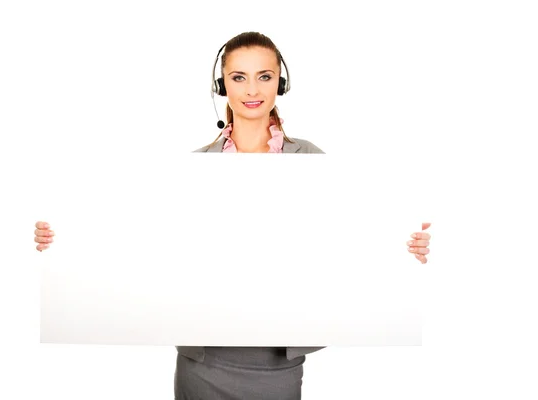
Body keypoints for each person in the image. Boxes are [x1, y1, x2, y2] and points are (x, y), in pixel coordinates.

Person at [33, 32, 432, 400]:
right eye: (239, 78)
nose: (253, 90)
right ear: (222, 85)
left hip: (278, 361)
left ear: (281, 83)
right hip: (204, 361)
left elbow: (350, 240)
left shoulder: (311, 161)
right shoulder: (193, 168)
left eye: (264, 76)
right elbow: (142, 242)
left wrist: (402, 248)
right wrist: (64, 240)